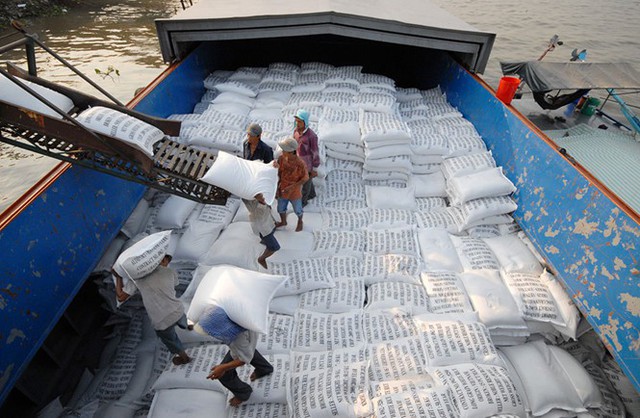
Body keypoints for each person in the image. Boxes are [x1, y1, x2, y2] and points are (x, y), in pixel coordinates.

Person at [113, 255, 192, 366]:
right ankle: (188, 324)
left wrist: (118, 277)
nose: (167, 264)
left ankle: (184, 358)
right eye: (167, 261)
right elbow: (174, 285)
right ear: (162, 260)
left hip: (162, 321)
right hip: (177, 310)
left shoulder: (137, 278)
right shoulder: (169, 271)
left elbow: (120, 297)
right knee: (180, 312)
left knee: (170, 340)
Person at [206, 326, 273, 407]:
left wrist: (222, 368)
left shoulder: (236, 338)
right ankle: (264, 368)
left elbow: (243, 360)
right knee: (248, 349)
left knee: (224, 375)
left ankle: (243, 393)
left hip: (242, 338)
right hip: (249, 333)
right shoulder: (238, 321)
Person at [274, 136, 309, 232]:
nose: (282, 152)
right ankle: (283, 221)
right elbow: (279, 172)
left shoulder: (300, 164)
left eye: (284, 150)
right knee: (281, 208)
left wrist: (292, 187)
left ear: (291, 152)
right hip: (283, 189)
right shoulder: (281, 159)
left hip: (294, 191)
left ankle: (300, 221)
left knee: (298, 209)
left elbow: (305, 178)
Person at [244, 193, 280, 269]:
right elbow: (259, 213)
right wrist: (262, 202)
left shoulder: (259, 201)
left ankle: (264, 241)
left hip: (267, 222)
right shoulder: (253, 205)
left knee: (272, 229)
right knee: (275, 247)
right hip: (263, 227)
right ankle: (261, 259)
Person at [292, 109, 320, 206]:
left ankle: (302, 202)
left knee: (305, 184)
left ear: (305, 122)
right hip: (298, 162)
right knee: (307, 182)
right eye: (296, 121)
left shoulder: (311, 136)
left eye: (300, 121)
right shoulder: (295, 132)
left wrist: (315, 168)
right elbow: (293, 144)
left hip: (307, 166)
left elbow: (315, 153)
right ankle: (311, 194)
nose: (297, 123)